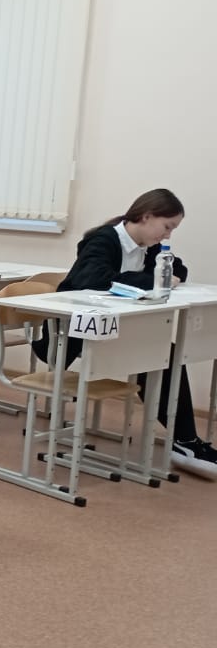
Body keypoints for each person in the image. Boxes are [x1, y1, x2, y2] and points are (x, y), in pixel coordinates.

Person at [44, 188, 216, 478]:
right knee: (158, 353)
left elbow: (178, 269)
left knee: (165, 352)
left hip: (112, 330)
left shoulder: (148, 247)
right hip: (72, 333)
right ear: (147, 216)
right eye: (167, 227)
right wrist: (153, 280)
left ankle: (184, 440)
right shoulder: (103, 240)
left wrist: (161, 274)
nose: (168, 235)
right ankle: (185, 441)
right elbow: (93, 279)